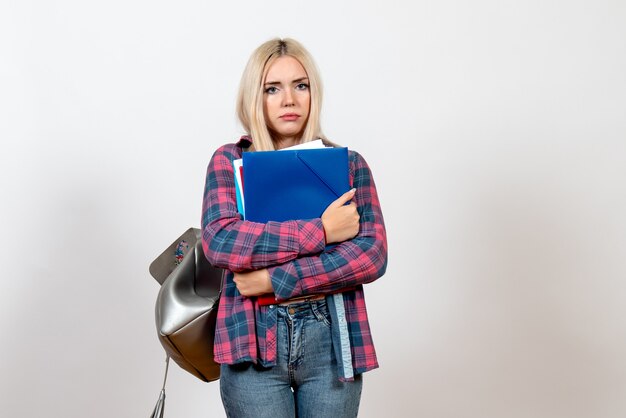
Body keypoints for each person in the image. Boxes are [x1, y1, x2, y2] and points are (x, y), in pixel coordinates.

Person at [201, 38, 388, 418]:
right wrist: (321, 231)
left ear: (312, 92)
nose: (289, 99)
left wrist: (273, 279)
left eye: (300, 85)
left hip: (331, 342)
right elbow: (222, 241)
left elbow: (370, 256)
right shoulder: (230, 161)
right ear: (256, 96)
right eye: (273, 88)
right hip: (252, 341)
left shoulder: (349, 165)